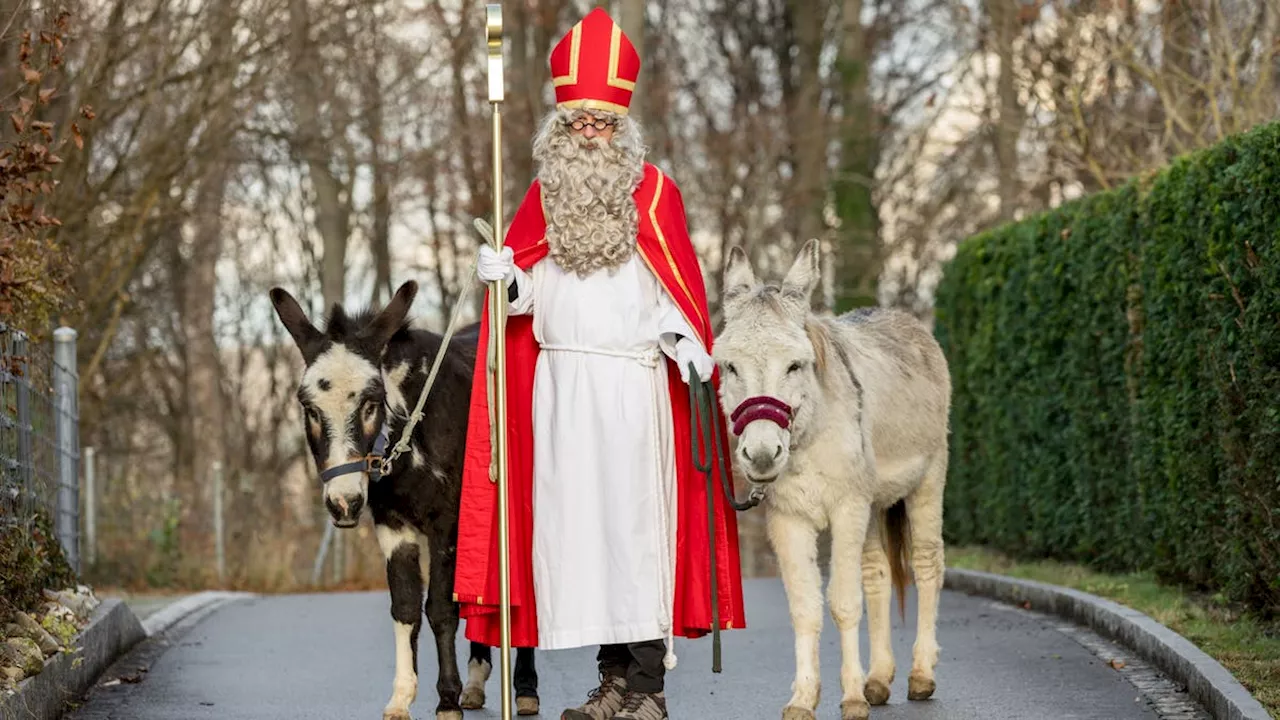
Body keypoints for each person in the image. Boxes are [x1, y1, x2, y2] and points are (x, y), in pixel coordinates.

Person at [452, 8, 746, 720]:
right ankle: (611, 683)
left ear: (623, 128)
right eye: (579, 122)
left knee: (634, 534)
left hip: (631, 387)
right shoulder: (539, 198)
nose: (591, 134)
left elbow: (674, 290)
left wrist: (685, 340)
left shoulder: (654, 194)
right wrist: (505, 275)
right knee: (579, 538)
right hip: (559, 392)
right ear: (560, 128)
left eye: (603, 123)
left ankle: (647, 687)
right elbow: (523, 301)